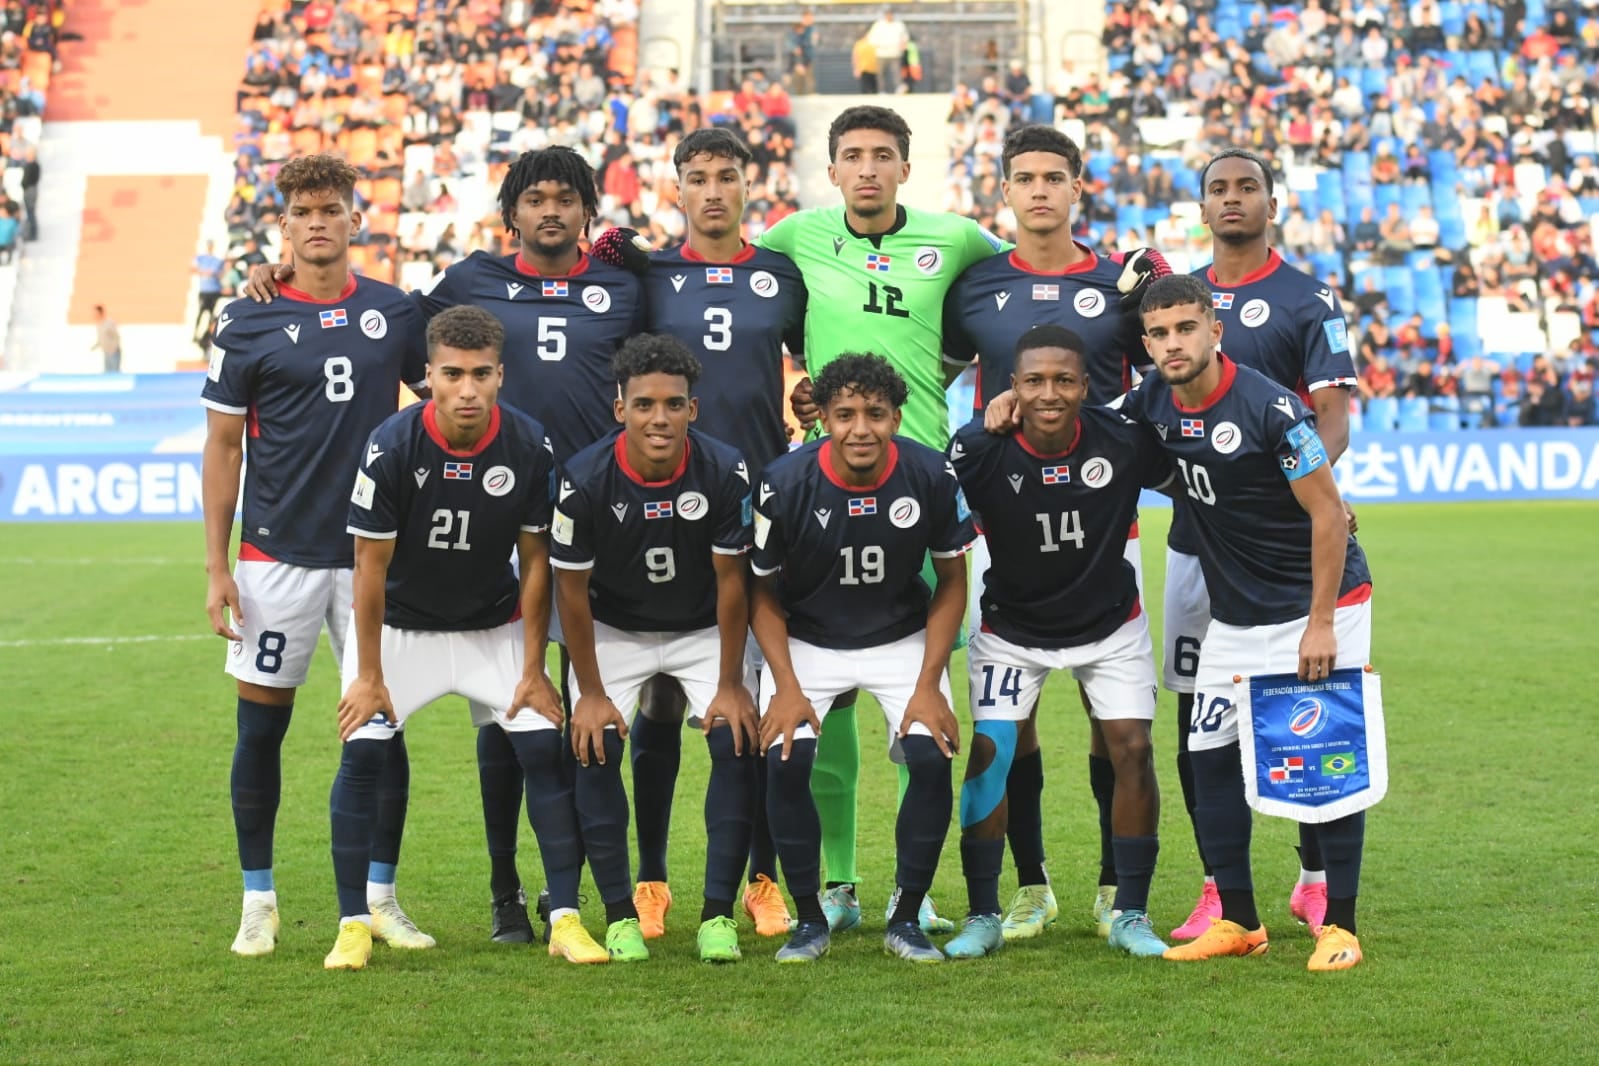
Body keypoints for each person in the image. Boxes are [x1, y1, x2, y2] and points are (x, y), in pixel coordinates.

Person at [246, 147, 647, 944]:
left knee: (592, 721)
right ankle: (506, 895)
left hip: (600, 528)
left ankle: (616, 901)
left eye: (568, 199)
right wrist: (280, 273)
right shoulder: (468, 282)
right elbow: (396, 328)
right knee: (503, 727)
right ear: (510, 213)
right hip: (499, 532)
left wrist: (630, 251)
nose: (551, 212)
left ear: (587, 211)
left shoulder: (625, 288)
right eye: (535, 199)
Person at [757, 105, 1002, 935]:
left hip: (927, 478)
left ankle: (914, 886)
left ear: (905, 167)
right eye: (852, 156)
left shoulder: (957, 237)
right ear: (830, 170)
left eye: (882, 156)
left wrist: (971, 369)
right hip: (826, 479)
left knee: (919, 702)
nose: (867, 169)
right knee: (825, 702)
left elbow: (1019, 291)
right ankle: (836, 881)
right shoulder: (795, 234)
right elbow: (739, 297)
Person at [199, 154, 430, 958]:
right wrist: (217, 565)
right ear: (284, 226)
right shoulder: (245, 318)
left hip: (375, 558)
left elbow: (442, 399)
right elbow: (223, 446)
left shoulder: (394, 312)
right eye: (301, 211)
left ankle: (381, 896)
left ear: (355, 219)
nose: (317, 221)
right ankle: (257, 899)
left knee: (379, 731)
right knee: (260, 734)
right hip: (275, 558)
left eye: (331, 208)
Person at [942, 123, 1167, 941]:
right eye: (1023, 178)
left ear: (1078, 187)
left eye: (1054, 177)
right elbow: (934, 376)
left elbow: (1169, 378)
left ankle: (1117, 888)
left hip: (1104, 512)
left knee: (1119, 731)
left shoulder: (1122, 283)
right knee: (1010, 731)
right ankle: (1029, 887)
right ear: (1003, 192)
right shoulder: (973, 286)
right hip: (1003, 519)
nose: (1039, 190)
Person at [326, 306, 602, 968]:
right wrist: (367, 674)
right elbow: (368, 566)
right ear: (428, 377)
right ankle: (353, 923)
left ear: (501, 375)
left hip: (491, 629)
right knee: (362, 755)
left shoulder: (530, 445)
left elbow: (537, 561)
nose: (468, 389)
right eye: (453, 374)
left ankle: (564, 918)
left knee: (542, 749)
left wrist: (534, 666)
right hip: (400, 635)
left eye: (481, 374)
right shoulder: (391, 445)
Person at [1122, 274, 1373, 972]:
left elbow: (1327, 514)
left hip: (1319, 607)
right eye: (1160, 333)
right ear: (1146, 343)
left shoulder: (1272, 410)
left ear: (1214, 332)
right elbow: (1079, 420)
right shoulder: (1149, 400)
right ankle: (1237, 918)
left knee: (1324, 763)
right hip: (1235, 618)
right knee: (1206, 760)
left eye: (1185, 329)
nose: (1174, 343)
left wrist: (1319, 625)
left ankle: (1340, 927)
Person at [601, 127, 806, 941]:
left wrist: (810, 405)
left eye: (726, 176)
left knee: (746, 700)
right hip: (658, 499)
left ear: (748, 185)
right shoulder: (645, 275)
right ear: (675, 191)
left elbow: (814, 364)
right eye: (697, 178)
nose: (713, 190)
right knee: (656, 696)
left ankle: (759, 880)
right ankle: (651, 880)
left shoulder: (779, 275)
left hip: (754, 501)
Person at [1165, 149, 1357, 942]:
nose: (1232, 199)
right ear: (1200, 208)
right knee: (1196, 719)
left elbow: (1334, 419)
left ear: (1269, 204)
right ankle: (1220, 889)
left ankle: (1314, 880)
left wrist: (1277, 501)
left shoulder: (1306, 298)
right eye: (1218, 189)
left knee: (1297, 717)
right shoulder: (1174, 300)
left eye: (1247, 188)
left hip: (1277, 543)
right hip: (1193, 546)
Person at [751, 354, 975, 963]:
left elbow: (953, 581)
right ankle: (808, 920)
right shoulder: (784, 481)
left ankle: (905, 918)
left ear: (896, 418)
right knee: (786, 759)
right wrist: (788, 686)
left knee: (931, 756)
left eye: (875, 414)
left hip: (899, 636)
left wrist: (931, 682)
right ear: (821, 418)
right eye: (845, 414)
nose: (860, 428)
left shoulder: (931, 474)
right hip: (807, 639)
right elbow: (761, 592)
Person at [553, 334, 758, 963]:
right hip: (613, 629)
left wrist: (728, 684)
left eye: (673, 404)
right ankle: (619, 916)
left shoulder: (725, 469)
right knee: (594, 745)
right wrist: (588, 692)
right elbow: (571, 594)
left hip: (702, 627)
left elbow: (733, 585)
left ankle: (718, 914)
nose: (659, 418)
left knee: (734, 736)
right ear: (621, 409)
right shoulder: (583, 478)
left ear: (693, 410)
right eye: (644, 405)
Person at [867, 7, 909, 94]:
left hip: (895, 52)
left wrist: (903, 44)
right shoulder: (878, 25)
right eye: (887, 14)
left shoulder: (898, 25)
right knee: (881, 74)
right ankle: (882, 90)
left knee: (897, 72)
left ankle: (899, 88)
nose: (889, 16)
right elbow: (871, 38)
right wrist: (878, 45)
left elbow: (905, 37)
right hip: (882, 53)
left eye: (890, 14)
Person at [193, 241, 225, 346]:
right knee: (201, 313)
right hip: (205, 290)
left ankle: (208, 335)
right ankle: (196, 333)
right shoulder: (201, 258)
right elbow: (192, 268)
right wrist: (204, 272)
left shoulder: (217, 260)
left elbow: (221, 273)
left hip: (214, 290)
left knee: (212, 315)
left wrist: (213, 273)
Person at [90, 305, 121, 373]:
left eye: (95, 313)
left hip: (113, 352)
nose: (94, 315)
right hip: (106, 352)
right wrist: (95, 346)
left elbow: (116, 336)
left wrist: (113, 348)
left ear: (100, 312)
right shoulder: (99, 324)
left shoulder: (109, 323)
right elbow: (101, 339)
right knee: (107, 372)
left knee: (115, 372)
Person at [20, 146, 39, 242]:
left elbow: (27, 180)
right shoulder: (34, 165)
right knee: (30, 213)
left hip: (30, 190)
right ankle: (31, 233)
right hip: (31, 190)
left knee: (30, 213)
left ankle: (32, 234)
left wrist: (23, 185)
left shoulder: (32, 165)